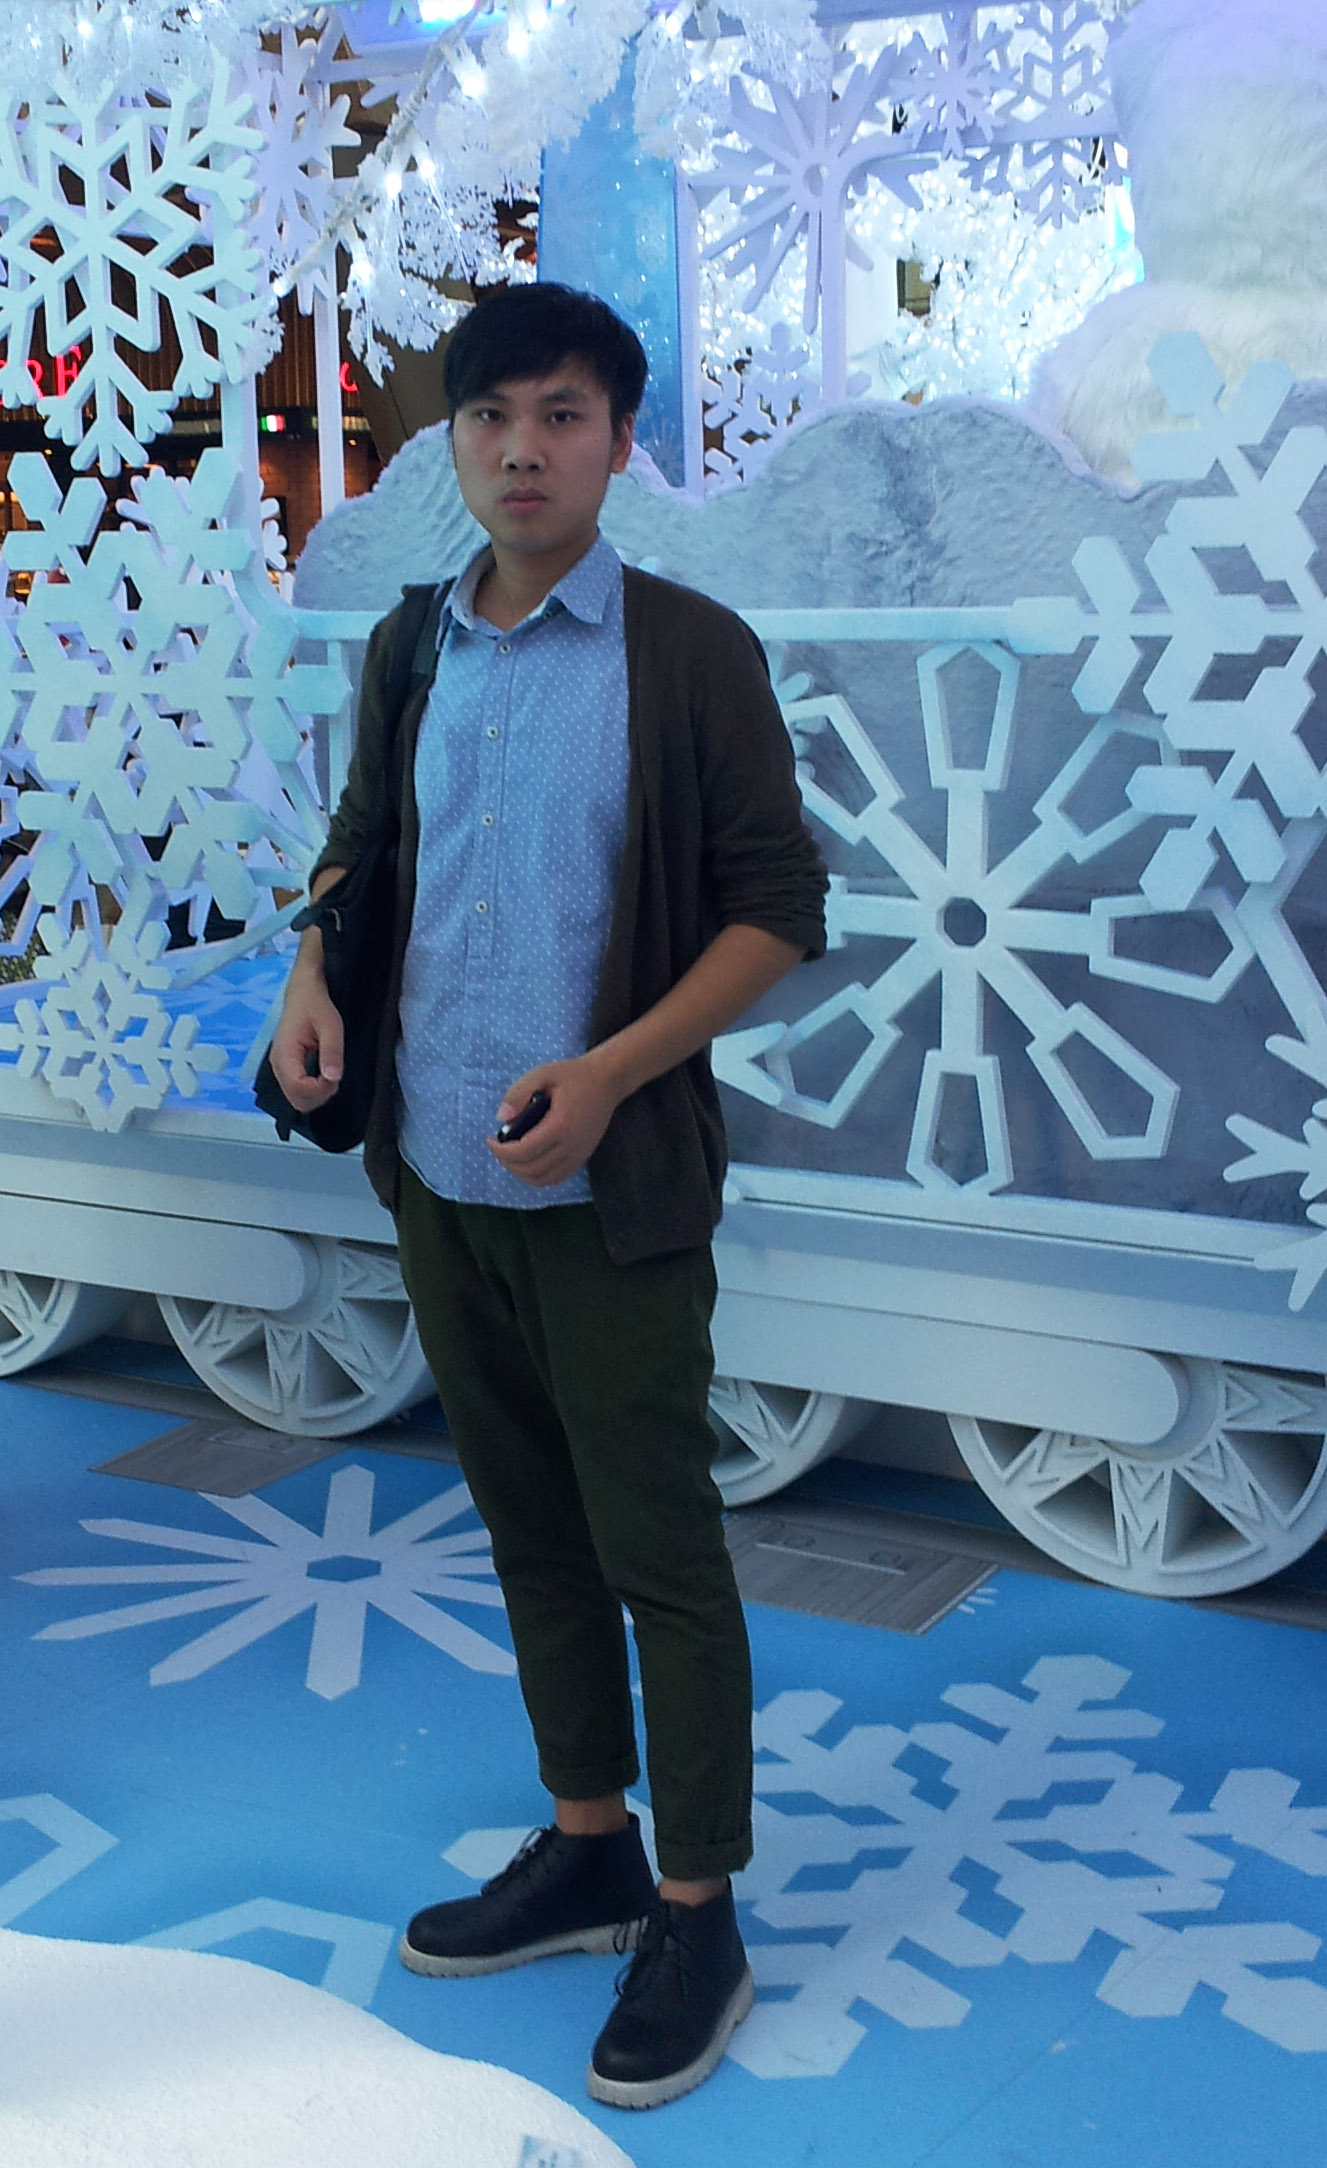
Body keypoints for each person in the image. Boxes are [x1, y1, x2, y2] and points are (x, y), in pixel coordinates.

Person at [269, 282, 827, 2110]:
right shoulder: (410, 647)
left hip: (614, 1191)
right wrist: (309, 975)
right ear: (452, 439)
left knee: (658, 1545)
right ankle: (590, 1843)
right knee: (524, 1526)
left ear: (618, 441)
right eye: (491, 416)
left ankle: (699, 1907)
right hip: (436, 1168)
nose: (523, 450)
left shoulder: (690, 652)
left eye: (563, 416)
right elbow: (365, 843)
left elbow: (778, 909)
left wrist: (612, 1074)